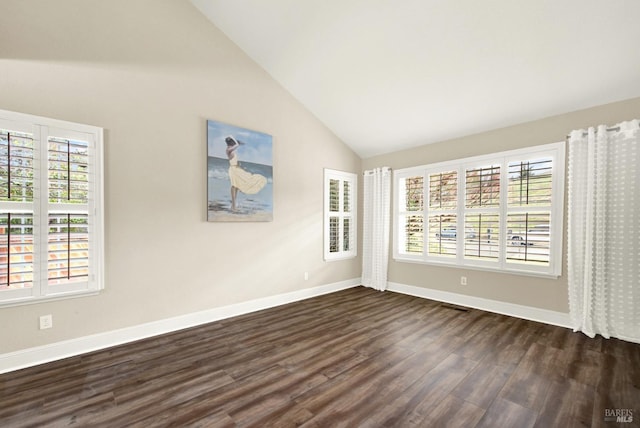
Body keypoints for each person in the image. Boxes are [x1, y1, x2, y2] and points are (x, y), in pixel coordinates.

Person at [225, 136, 267, 211]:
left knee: (237, 185)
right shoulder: (228, 149)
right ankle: (233, 206)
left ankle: (233, 206)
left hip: (236, 168)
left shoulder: (231, 149)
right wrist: (237, 143)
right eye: (232, 142)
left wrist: (239, 166)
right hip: (233, 169)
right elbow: (236, 145)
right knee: (234, 186)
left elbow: (235, 153)